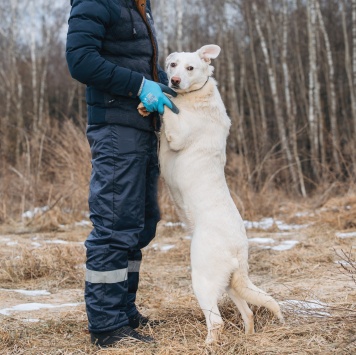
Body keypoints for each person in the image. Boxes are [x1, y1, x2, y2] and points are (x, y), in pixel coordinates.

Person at [66, 0, 177, 347]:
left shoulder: (137, 6)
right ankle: (107, 326)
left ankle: (124, 310)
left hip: (142, 126)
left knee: (141, 223)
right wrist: (140, 85)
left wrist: (168, 89)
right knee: (115, 225)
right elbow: (81, 60)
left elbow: (140, 63)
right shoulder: (95, 2)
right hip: (115, 127)